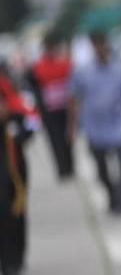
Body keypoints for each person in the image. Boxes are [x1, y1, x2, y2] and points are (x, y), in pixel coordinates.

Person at [69, 30, 121, 214]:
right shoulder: (83, 72)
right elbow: (74, 99)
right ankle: (113, 195)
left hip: (119, 124)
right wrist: (72, 126)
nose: (99, 49)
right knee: (101, 168)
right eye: (95, 45)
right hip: (94, 127)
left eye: (102, 44)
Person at [0, 65, 34, 275]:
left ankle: (17, 264)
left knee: (18, 218)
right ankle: (8, 269)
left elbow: (31, 125)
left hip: (16, 176)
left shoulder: (15, 111)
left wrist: (16, 134)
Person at [28, 32, 75, 180]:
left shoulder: (64, 63)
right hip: (49, 110)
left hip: (64, 107)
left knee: (67, 137)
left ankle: (70, 166)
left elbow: (71, 81)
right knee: (55, 140)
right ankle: (62, 169)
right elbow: (35, 88)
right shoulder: (37, 67)